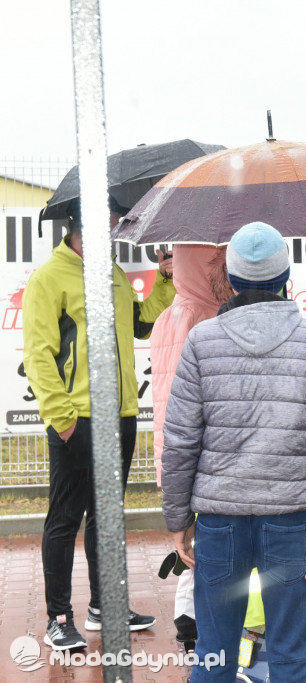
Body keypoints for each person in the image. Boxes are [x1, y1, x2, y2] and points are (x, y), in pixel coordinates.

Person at [161, 221, 306, 681]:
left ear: (234, 278)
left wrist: (177, 520)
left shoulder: (202, 342)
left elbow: (181, 440)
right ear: (286, 279)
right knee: (289, 654)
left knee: (214, 653)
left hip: (219, 521)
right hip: (290, 521)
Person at [22, 196, 173, 650]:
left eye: (113, 224)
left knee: (106, 518)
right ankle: (58, 617)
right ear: (76, 226)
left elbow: (142, 324)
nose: (111, 232)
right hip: (78, 419)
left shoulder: (112, 274)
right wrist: (63, 419)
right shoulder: (49, 278)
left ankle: (104, 607)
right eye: (104, 224)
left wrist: (165, 280)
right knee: (65, 518)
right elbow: (38, 355)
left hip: (122, 416)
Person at [149, 244, 233, 657]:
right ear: (206, 269)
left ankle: (187, 615)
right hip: (205, 449)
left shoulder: (169, 315)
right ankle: (202, 623)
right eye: (219, 264)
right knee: (212, 540)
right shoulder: (208, 318)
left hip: (174, 447)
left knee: (195, 538)